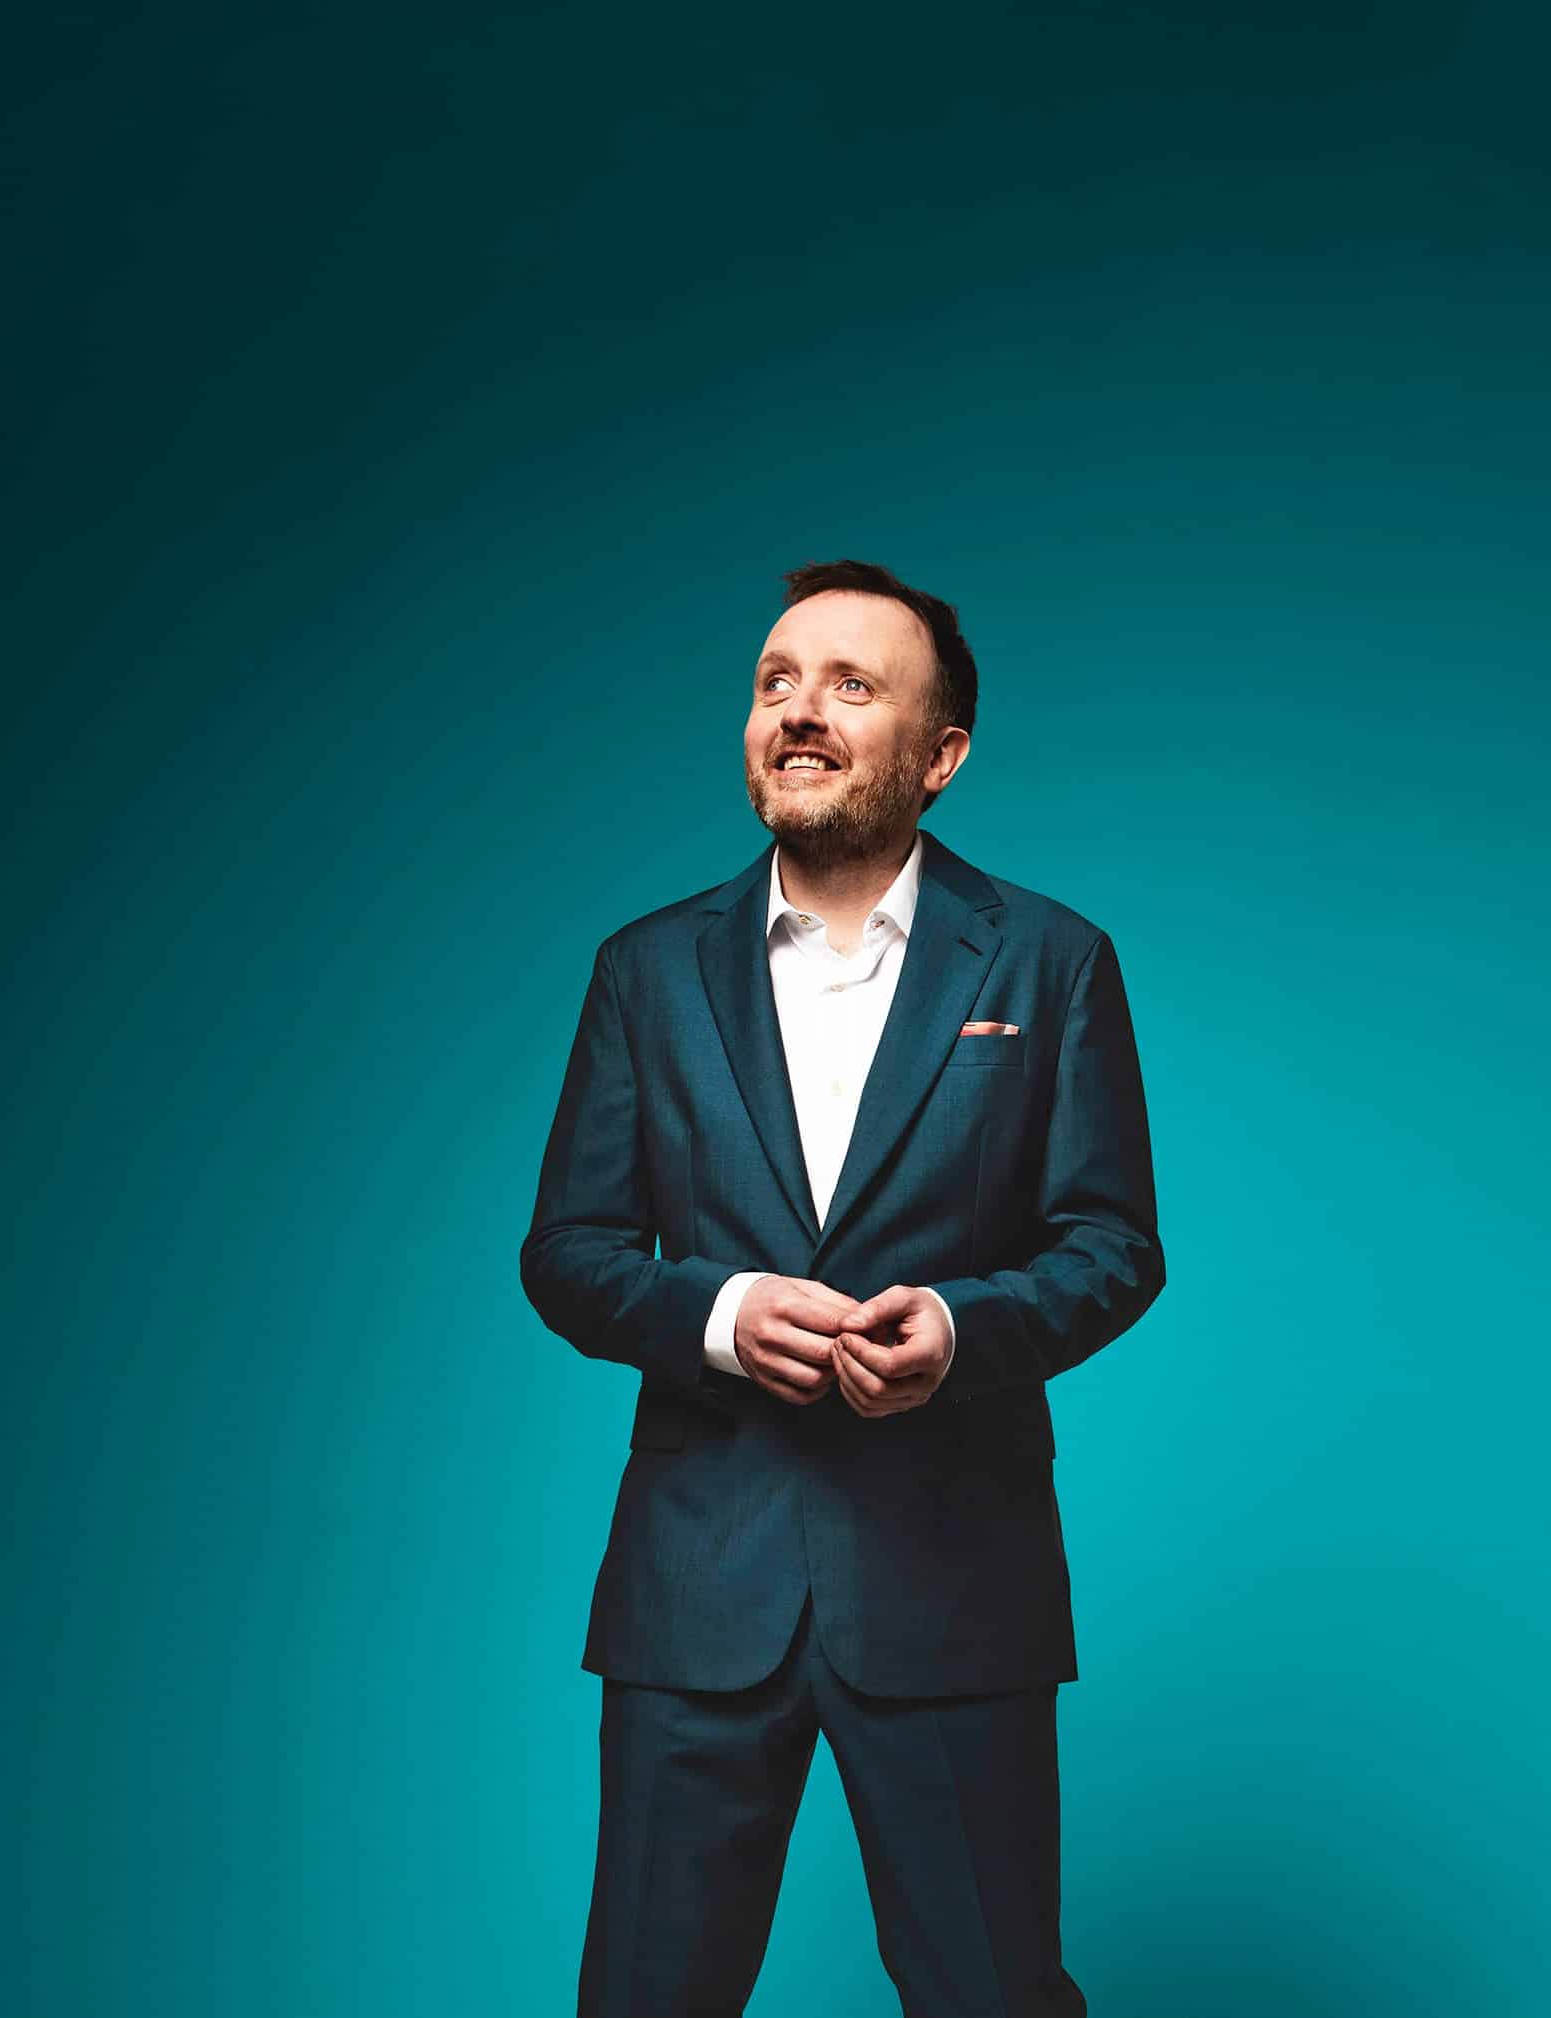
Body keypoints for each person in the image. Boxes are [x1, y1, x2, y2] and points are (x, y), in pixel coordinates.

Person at [519, 559, 1166, 2017]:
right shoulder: (645, 969)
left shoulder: (1052, 961)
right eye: (775, 682)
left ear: (941, 755)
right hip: (698, 1589)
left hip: (954, 1582)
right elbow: (567, 1250)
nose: (798, 711)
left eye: (850, 686)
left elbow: (1112, 1244)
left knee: (992, 1996)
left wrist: (958, 1329)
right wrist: (719, 1317)